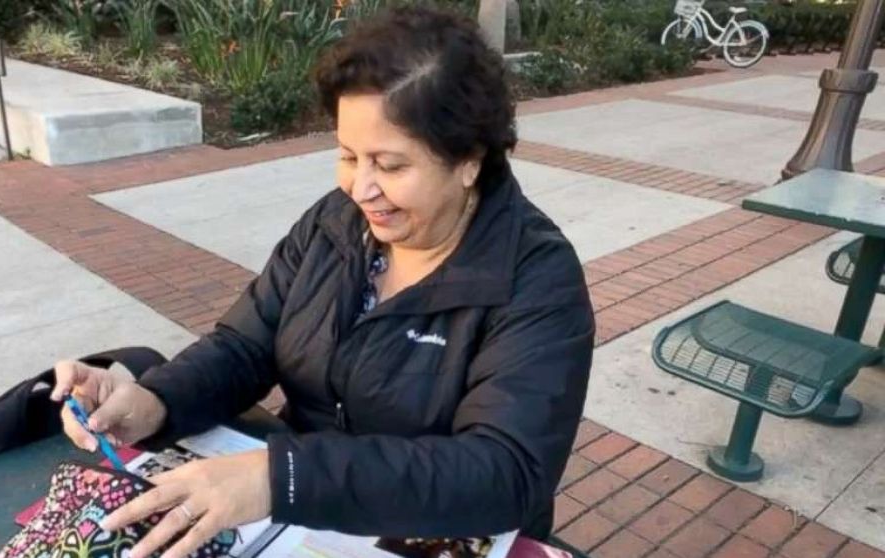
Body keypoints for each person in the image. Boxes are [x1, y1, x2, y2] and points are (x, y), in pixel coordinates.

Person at [49, 7, 594, 558]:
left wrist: (281, 478)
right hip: (295, 521)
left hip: (434, 531)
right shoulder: (333, 225)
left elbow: (504, 472)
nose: (361, 189)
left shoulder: (536, 278)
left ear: (469, 161)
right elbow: (244, 345)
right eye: (348, 156)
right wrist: (155, 400)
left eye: (391, 165)